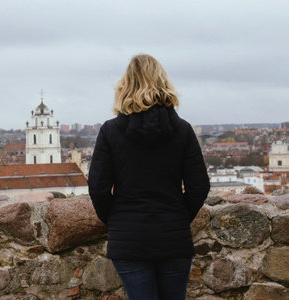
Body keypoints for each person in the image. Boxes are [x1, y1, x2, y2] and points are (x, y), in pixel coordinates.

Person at [88, 54, 210, 300]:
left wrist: (116, 218)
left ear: (125, 86)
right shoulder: (183, 130)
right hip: (173, 235)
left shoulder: (110, 131)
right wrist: (177, 215)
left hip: (129, 237)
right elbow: (199, 187)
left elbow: (98, 189)